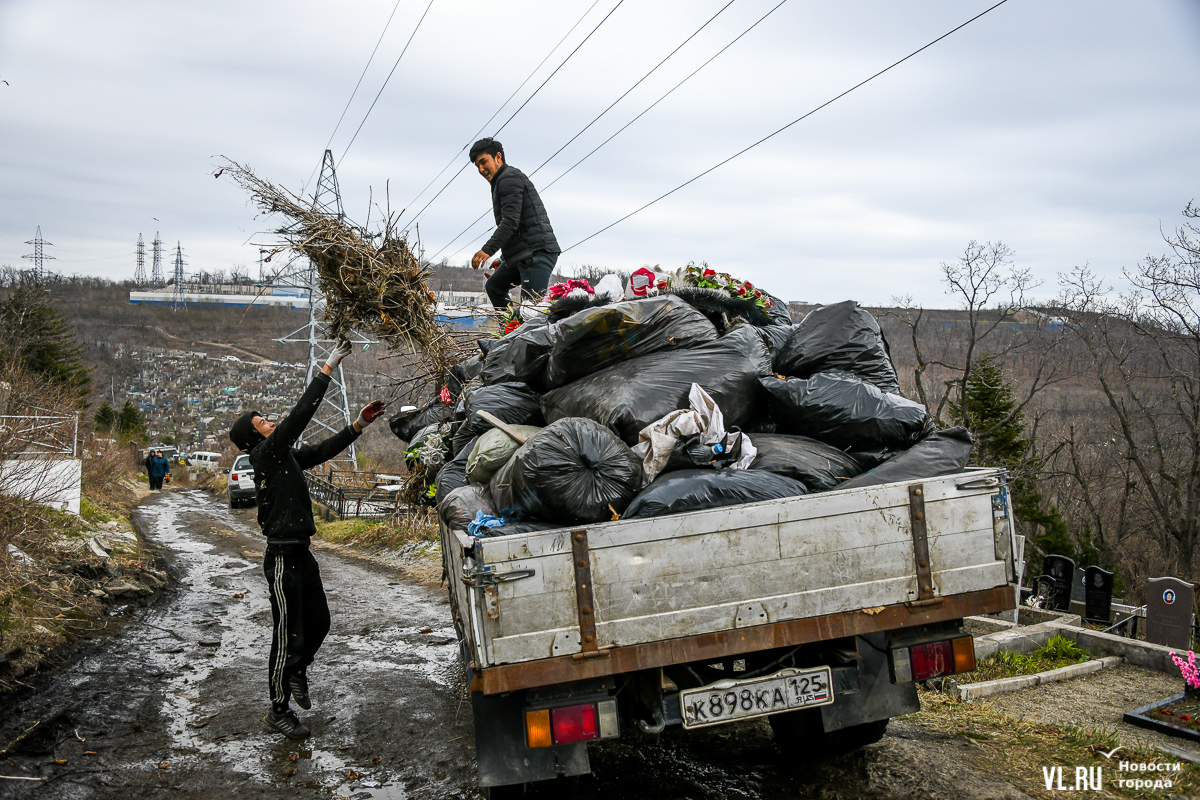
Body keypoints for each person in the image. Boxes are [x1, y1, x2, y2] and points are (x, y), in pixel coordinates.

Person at [228, 341, 386, 739]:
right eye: (262, 421)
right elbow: (299, 416)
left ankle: (297, 670)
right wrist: (327, 368)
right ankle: (277, 709)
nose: (270, 421)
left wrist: (358, 425)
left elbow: (320, 449)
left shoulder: (284, 457)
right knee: (286, 632)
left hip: (302, 552)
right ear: (253, 436)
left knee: (319, 621)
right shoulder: (264, 455)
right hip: (280, 556)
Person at [468, 138, 561, 310]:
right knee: (494, 287)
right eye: (477, 166)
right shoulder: (500, 181)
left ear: (498, 157)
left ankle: (521, 330)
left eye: (483, 162)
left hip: (536, 253)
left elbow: (510, 222)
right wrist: (504, 258)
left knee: (531, 311)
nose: (481, 169)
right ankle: (510, 329)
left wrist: (487, 250)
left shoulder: (508, 178)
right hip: (522, 254)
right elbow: (519, 226)